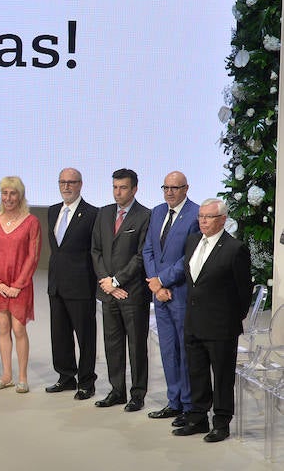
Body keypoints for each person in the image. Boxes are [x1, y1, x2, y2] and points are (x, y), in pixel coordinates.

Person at [173, 198, 251, 443]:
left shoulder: (234, 248)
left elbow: (243, 293)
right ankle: (198, 419)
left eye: (209, 217)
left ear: (222, 220)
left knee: (223, 376)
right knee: (196, 372)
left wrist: (230, 319)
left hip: (221, 325)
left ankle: (221, 423)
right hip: (194, 321)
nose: (203, 221)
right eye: (201, 217)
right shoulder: (193, 241)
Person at [143, 171, 200, 425]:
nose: (169, 192)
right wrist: (156, 285)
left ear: (186, 189)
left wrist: (163, 281)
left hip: (180, 293)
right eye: (165, 187)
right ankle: (174, 401)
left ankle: (189, 405)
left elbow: (189, 257)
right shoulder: (156, 212)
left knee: (184, 350)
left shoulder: (195, 214)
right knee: (167, 350)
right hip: (160, 294)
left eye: (175, 188)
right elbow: (148, 250)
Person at [91, 168, 151, 411]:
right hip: (108, 292)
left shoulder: (145, 215)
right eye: (115, 187)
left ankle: (137, 394)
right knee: (112, 344)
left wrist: (116, 282)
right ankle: (117, 391)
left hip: (132, 292)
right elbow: (95, 251)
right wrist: (107, 281)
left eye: (123, 187)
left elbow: (140, 256)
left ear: (134, 189)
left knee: (136, 346)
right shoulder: (104, 213)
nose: (118, 192)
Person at [0, 176, 41, 394]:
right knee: (3, 327)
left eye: (13, 193)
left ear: (20, 195)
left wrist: (17, 284)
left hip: (20, 285)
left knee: (18, 328)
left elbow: (32, 257)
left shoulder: (31, 222)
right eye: (5, 193)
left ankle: (23, 378)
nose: (8, 198)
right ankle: (7, 375)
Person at [45, 168, 99, 400]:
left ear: (80, 185)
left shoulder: (92, 214)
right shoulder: (52, 211)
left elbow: (95, 250)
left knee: (85, 337)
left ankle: (87, 382)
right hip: (56, 284)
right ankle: (66, 377)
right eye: (63, 182)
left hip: (81, 285)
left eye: (72, 182)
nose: (66, 187)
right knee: (59, 334)